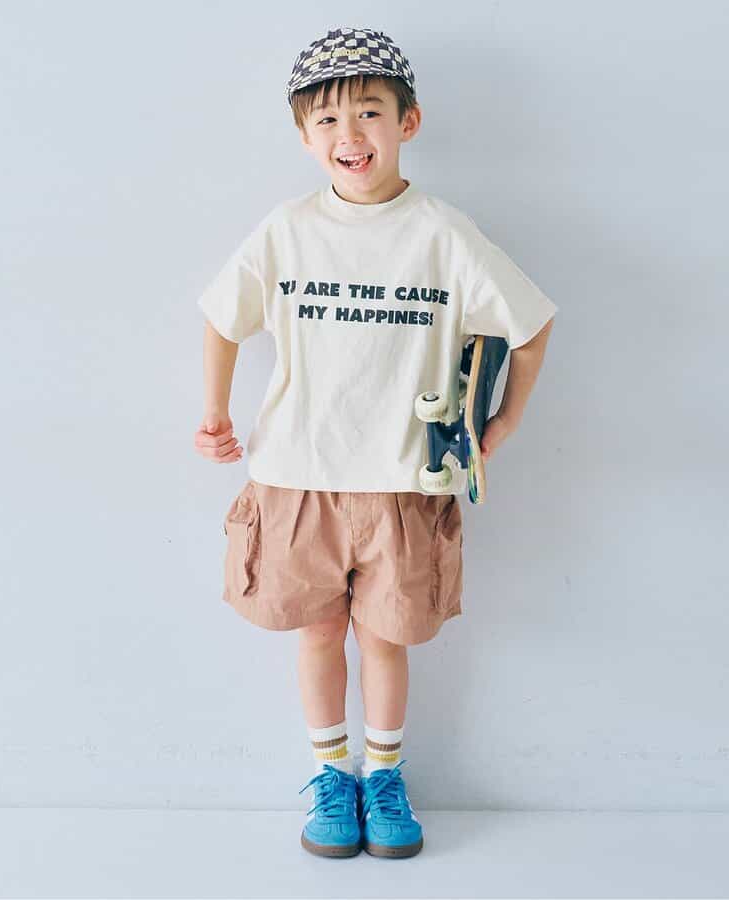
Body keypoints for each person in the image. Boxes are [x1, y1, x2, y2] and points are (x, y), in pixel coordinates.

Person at [194, 26, 558, 859]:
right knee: (318, 633)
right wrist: (214, 413)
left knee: (386, 639)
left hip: (403, 483)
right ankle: (333, 776)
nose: (349, 135)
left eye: (368, 113)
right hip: (296, 478)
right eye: (326, 120)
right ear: (303, 135)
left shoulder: (442, 234)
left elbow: (531, 323)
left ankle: (385, 775)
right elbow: (222, 316)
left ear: (408, 122)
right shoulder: (286, 231)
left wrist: (503, 421)